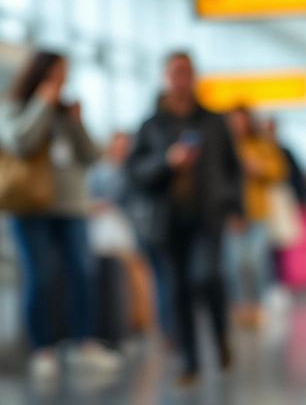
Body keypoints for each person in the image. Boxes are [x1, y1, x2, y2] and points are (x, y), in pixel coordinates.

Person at [0, 51, 122, 380]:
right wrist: (42, 103)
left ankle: (85, 344)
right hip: (29, 206)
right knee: (38, 278)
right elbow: (20, 141)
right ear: (39, 73)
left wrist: (77, 120)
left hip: (71, 207)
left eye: (64, 73)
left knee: (83, 272)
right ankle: (43, 350)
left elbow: (92, 154)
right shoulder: (12, 106)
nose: (61, 79)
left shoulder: (68, 113)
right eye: (55, 72)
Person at [126, 52, 242, 386]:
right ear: (165, 77)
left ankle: (220, 334)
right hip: (167, 220)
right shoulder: (151, 126)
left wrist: (235, 208)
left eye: (187, 72)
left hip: (208, 214)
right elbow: (134, 172)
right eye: (175, 72)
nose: (181, 79)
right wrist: (167, 161)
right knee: (177, 290)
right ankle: (189, 360)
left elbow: (231, 168)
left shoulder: (213, 121)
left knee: (207, 277)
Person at [88, 131, 172, 339]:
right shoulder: (99, 171)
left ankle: (146, 321)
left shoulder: (134, 171)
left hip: (135, 229)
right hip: (108, 233)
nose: (121, 150)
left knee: (143, 277)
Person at [223, 107, 286, 328]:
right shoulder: (223, 148)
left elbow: (279, 170)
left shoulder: (261, 143)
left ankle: (260, 305)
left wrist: (258, 168)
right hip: (232, 214)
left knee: (257, 261)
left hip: (258, 211)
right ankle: (242, 307)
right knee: (235, 263)